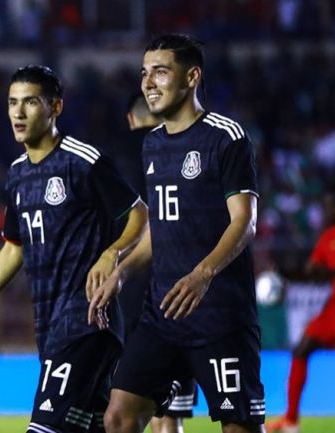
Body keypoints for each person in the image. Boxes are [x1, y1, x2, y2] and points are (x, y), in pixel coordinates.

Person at [0, 65, 148, 433]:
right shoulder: (18, 173)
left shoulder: (82, 161)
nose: (18, 113)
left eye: (30, 102)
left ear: (56, 108)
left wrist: (110, 253)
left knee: (44, 428)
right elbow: (13, 249)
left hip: (85, 320)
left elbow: (139, 215)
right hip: (51, 325)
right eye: (12, 103)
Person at [89, 34, 265, 433]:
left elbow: (245, 221)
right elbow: (161, 226)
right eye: (144, 73)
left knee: (240, 428)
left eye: (161, 72)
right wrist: (123, 269)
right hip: (162, 315)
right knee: (118, 417)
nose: (148, 82)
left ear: (191, 78)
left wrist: (203, 275)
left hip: (220, 317)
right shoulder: (152, 144)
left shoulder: (226, 137)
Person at [116, 94, 199, 433]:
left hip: (128, 292)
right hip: (176, 291)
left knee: (121, 410)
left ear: (130, 120)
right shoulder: (182, 152)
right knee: (170, 416)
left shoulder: (119, 158)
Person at [267, 193, 335, 433]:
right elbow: (316, 273)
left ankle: (291, 420)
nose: (327, 212)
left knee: (302, 349)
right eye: (326, 207)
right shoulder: (328, 238)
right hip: (332, 311)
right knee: (301, 349)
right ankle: (291, 421)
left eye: (330, 207)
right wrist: (288, 272)